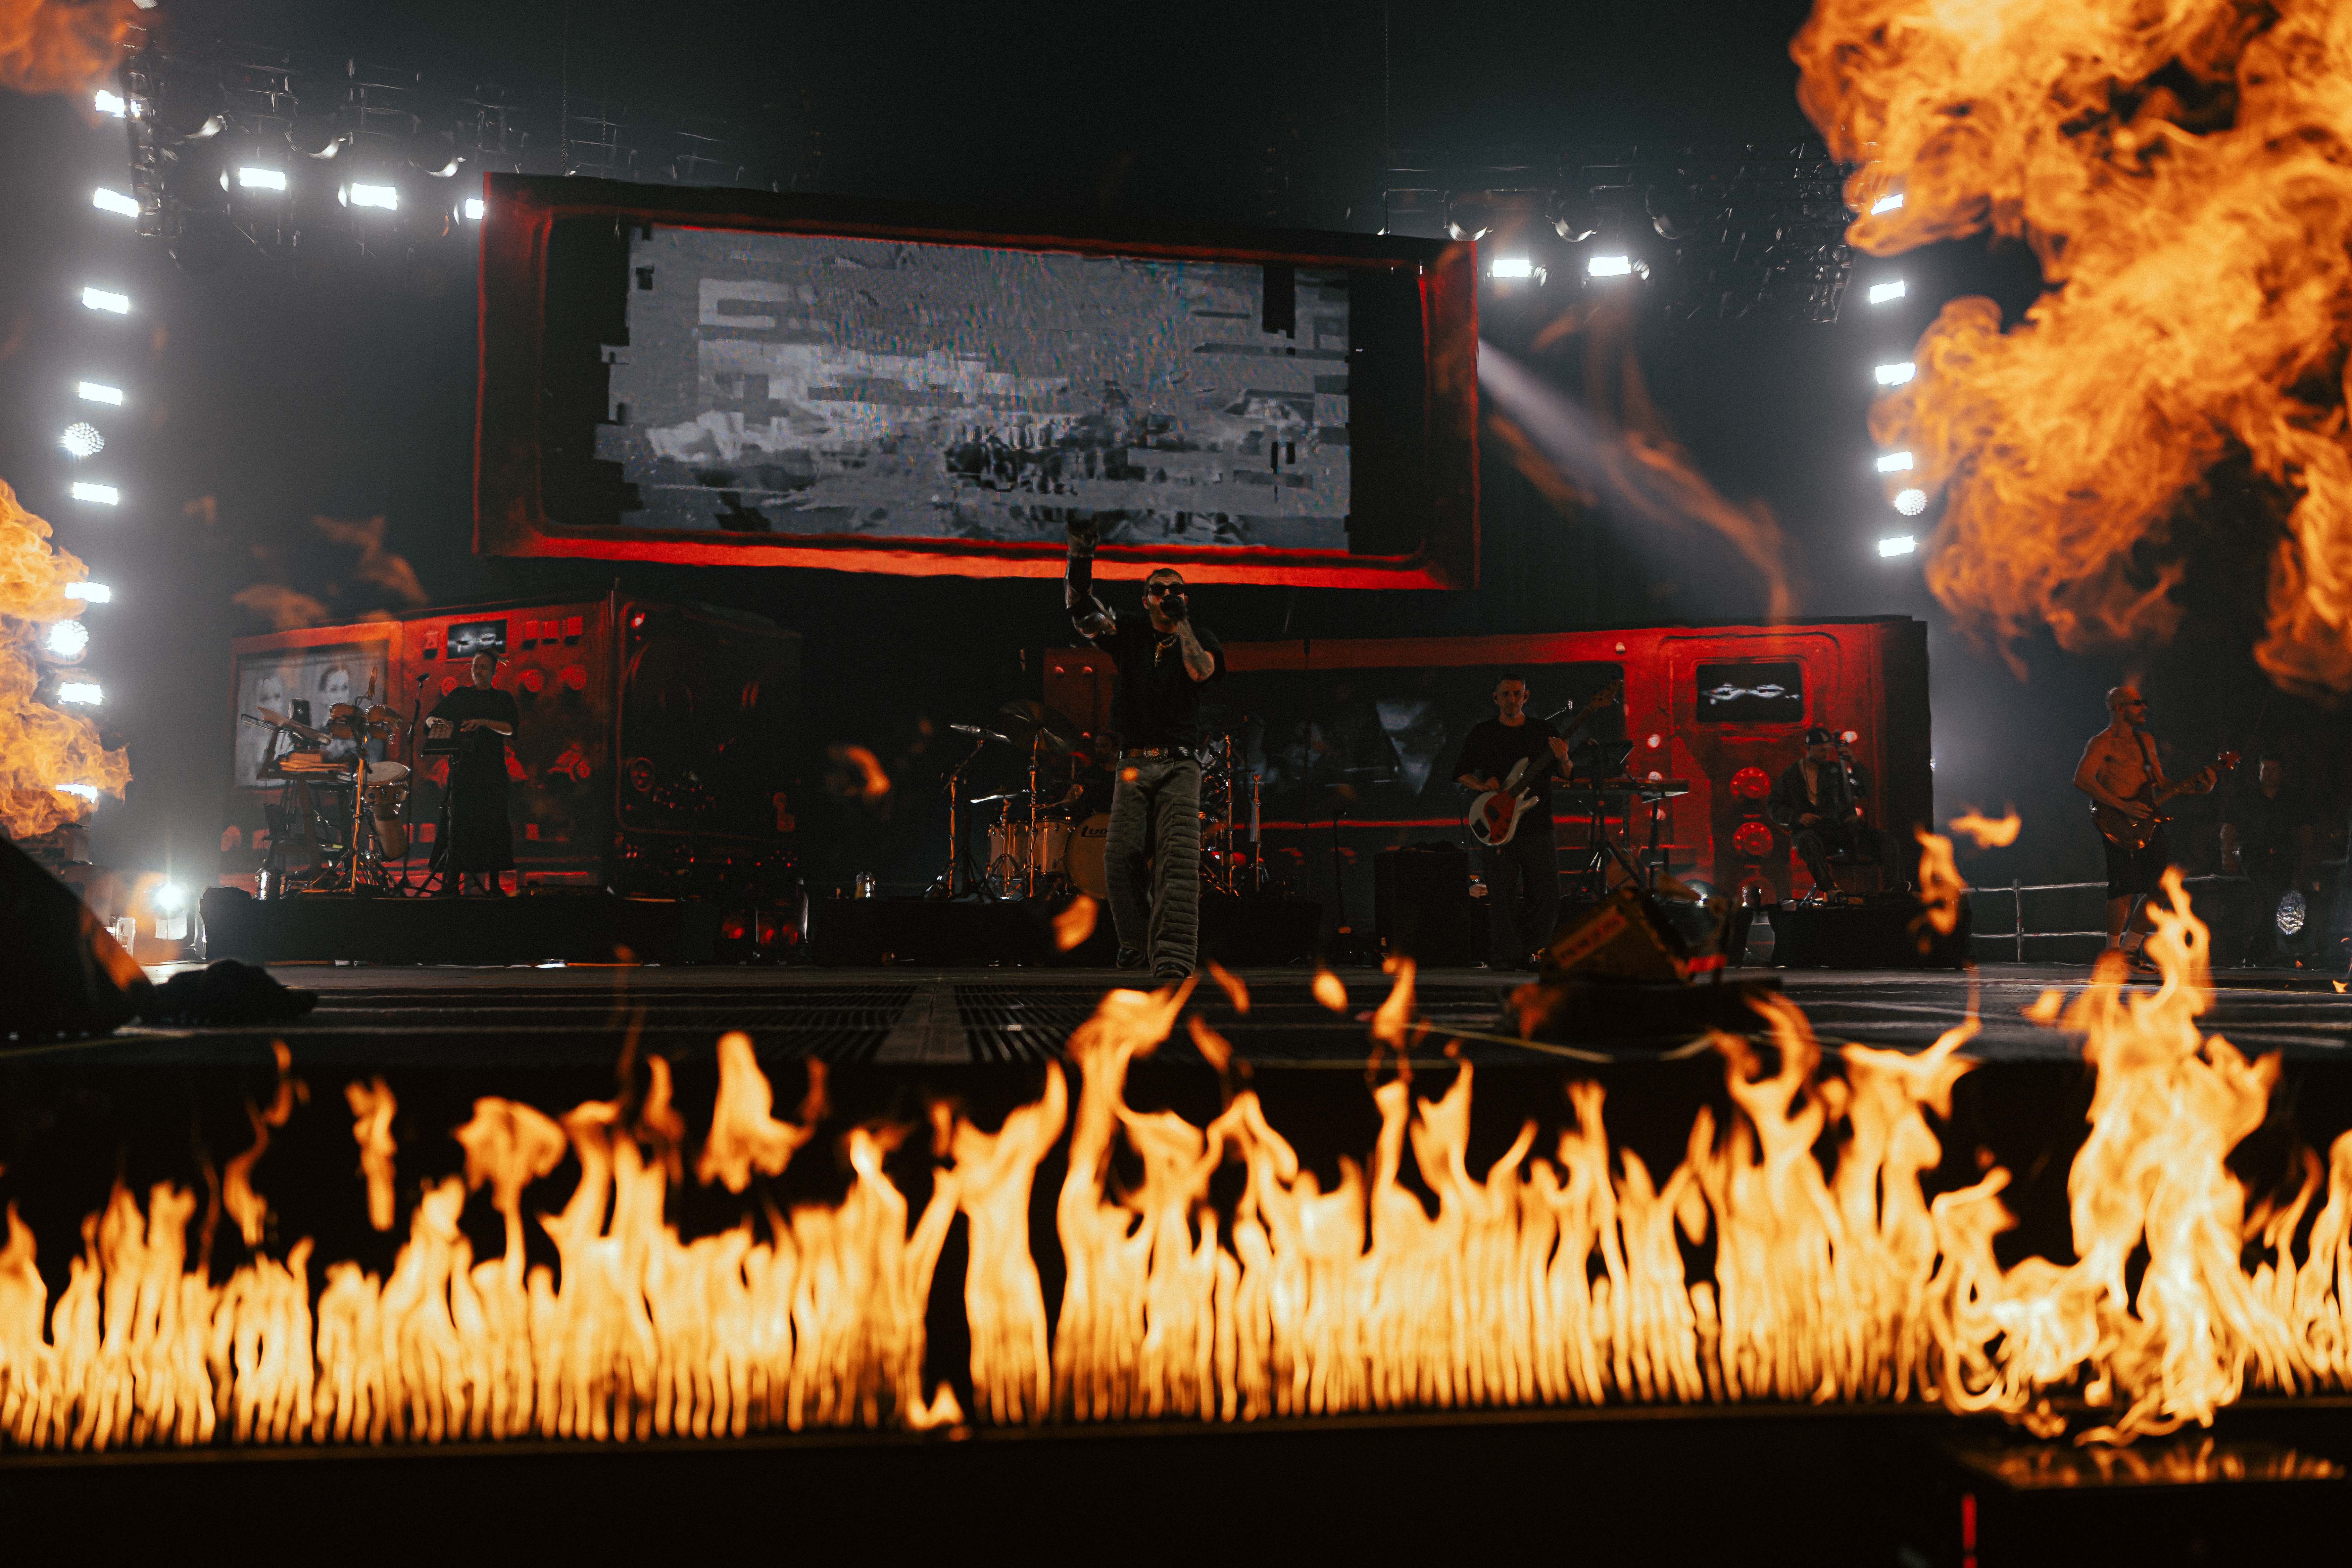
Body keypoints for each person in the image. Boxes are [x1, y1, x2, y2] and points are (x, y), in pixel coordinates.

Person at [1065, 527, 1223, 980]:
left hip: (1180, 763)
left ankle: (1173, 956)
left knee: (1178, 860)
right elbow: (1082, 613)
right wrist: (1080, 556)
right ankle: (1136, 943)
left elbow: (1201, 673)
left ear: (1185, 599)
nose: (1168, 595)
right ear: (1145, 599)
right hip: (1133, 761)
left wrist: (1182, 624)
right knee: (1119, 859)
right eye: (1159, 590)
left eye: (1176, 590)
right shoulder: (1130, 633)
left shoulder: (1200, 636)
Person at [2073, 684, 2215, 968]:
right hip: (2117, 823)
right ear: (2119, 709)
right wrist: (2122, 806)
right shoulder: (2101, 743)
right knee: (2122, 889)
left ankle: (2130, 951)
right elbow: (2082, 779)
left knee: (2161, 885)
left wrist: (2198, 787)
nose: (2144, 708)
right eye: (2138, 703)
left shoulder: (2146, 740)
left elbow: (2160, 782)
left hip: (2148, 819)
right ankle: (2112, 954)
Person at [1454, 674, 1569, 968]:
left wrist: (1565, 758)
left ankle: (1536, 950)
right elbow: (1461, 773)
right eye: (1506, 694)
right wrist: (1482, 786)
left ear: (1526, 697)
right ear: (1496, 698)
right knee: (1501, 895)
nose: (1512, 699)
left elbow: (1567, 773)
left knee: (1547, 893)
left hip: (1537, 824)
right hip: (1498, 826)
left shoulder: (1543, 731)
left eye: (1517, 694)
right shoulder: (1483, 733)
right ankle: (1506, 955)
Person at [1768, 726, 1903, 903]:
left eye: (1828, 750)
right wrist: (1798, 818)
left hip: (1837, 830)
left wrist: (1853, 761)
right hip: (1810, 831)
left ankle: (1894, 889)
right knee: (1808, 840)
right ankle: (1831, 890)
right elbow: (1774, 807)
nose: (1826, 754)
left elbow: (1864, 789)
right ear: (1808, 748)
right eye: (1821, 750)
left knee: (1885, 841)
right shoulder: (1792, 775)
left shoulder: (1834, 770)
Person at [425, 651, 518, 896]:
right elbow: (430, 718)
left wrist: (484, 722)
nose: (478, 671)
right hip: (463, 770)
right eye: (475, 666)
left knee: (493, 823)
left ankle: (494, 884)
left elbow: (510, 729)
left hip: (492, 771)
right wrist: (437, 724)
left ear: (494, 672)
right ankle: (452, 881)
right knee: (458, 822)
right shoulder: (460, 695)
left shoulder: (503, 699)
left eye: (484, 667)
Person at [2221, 754, 2317, 967]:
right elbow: (2229, 828)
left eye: (2274, 770)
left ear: (2281, 773)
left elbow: (2306, 828)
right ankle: (2256, 954)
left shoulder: (2291, 798)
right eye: (2266, 769)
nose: (2270, 774)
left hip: (2285, 857)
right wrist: (2227, 855)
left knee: (2282, 902)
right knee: (2272, 899)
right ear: (2259, 771)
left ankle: (2269, 952)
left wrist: (2306, 855)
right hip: (2254, 857)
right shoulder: (2247, 797)